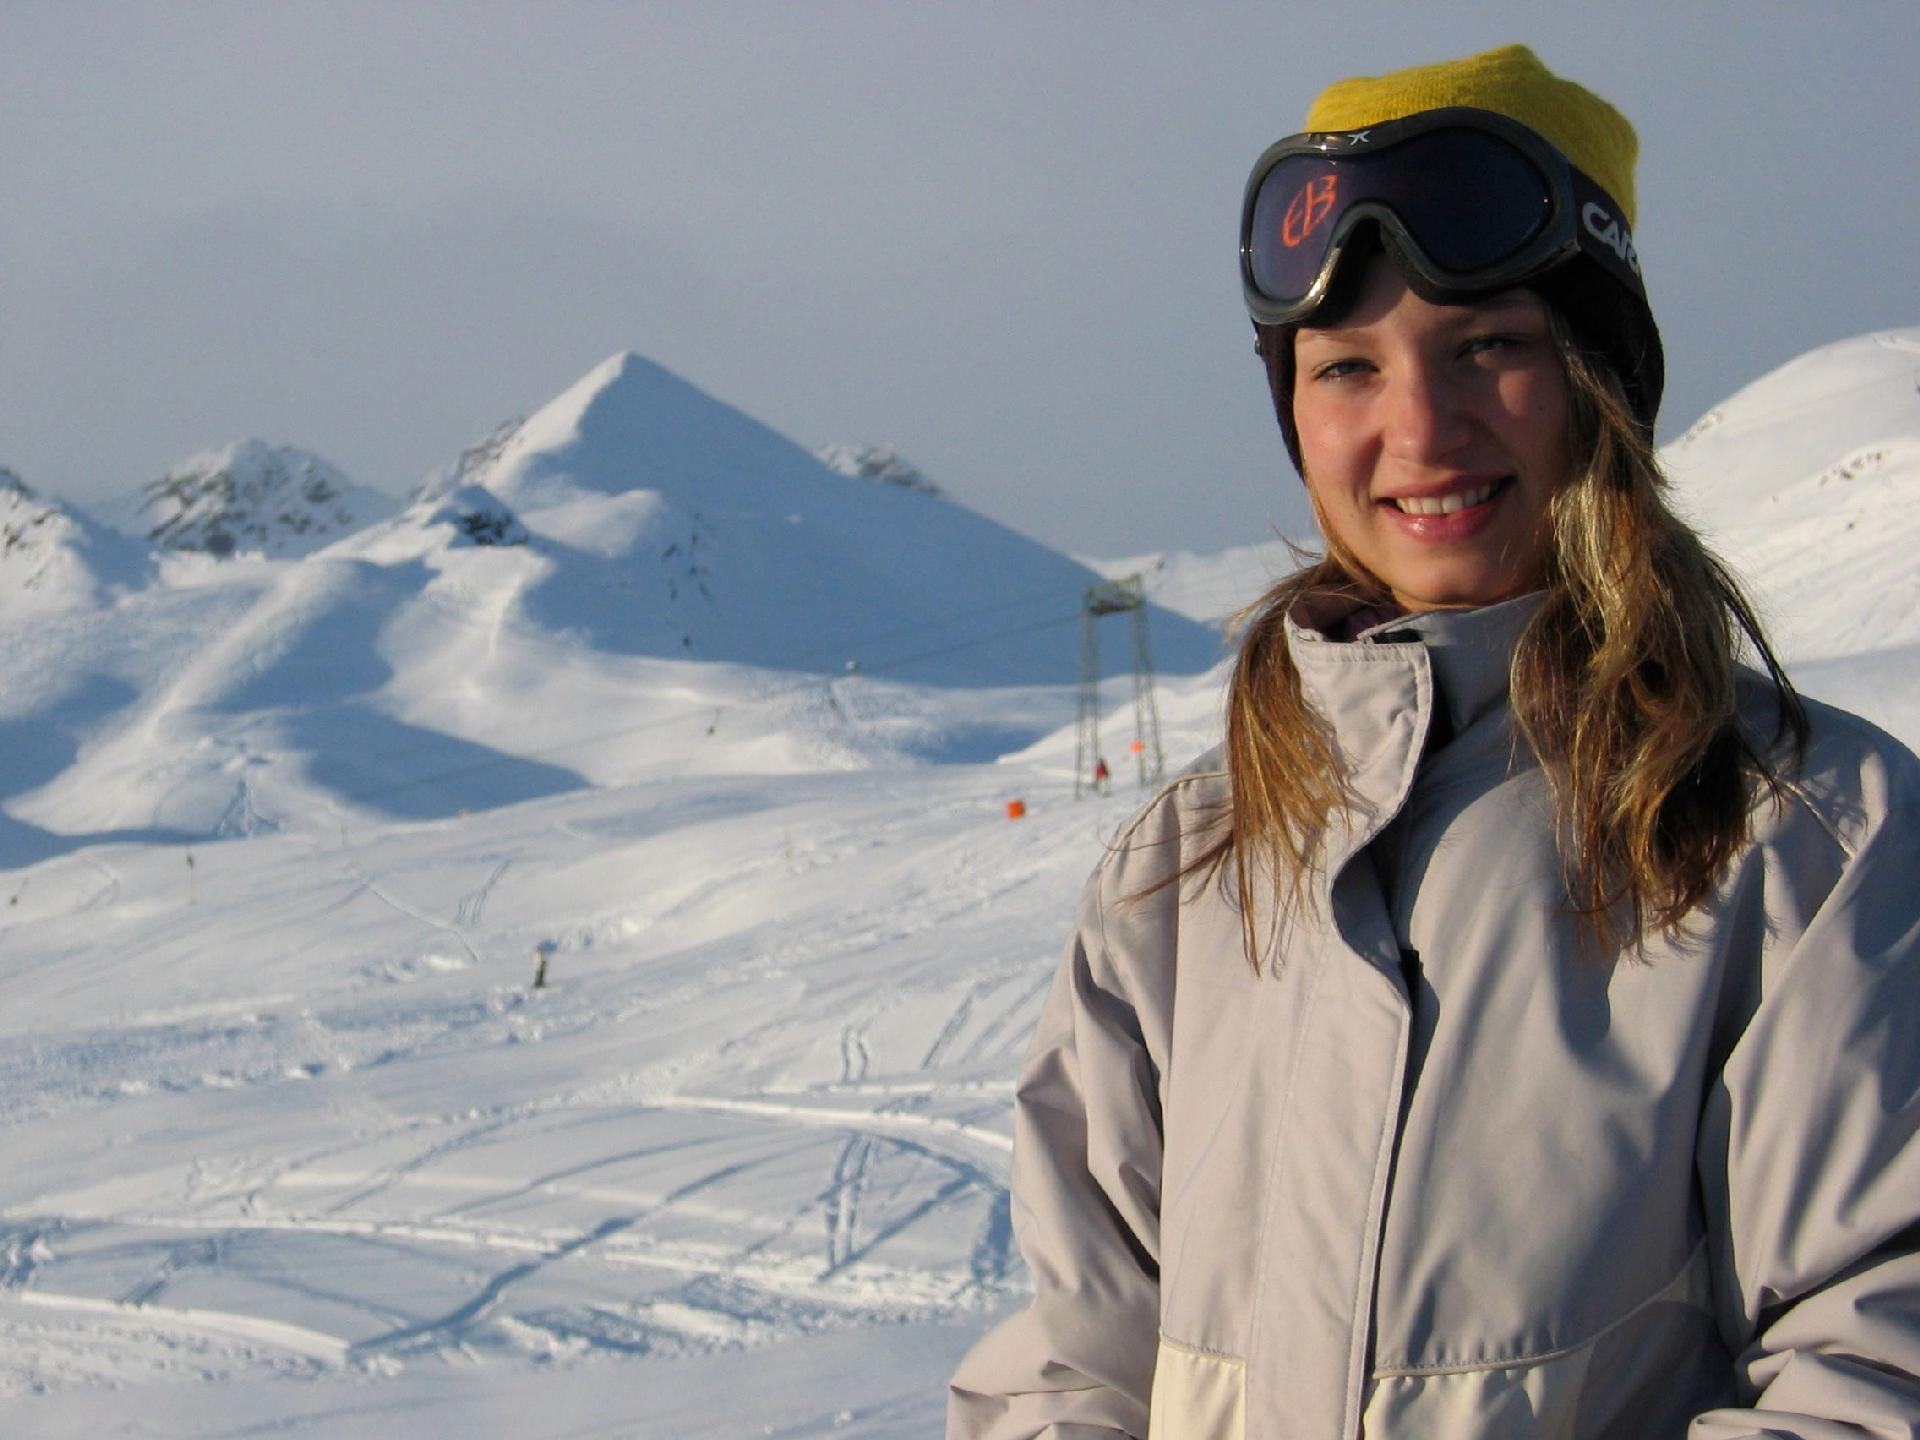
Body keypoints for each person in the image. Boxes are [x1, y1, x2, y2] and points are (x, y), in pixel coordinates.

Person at [948, 44, 1920, 1440]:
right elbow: (1078, 1363)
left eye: (1490, 346)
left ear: (1600, 378)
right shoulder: (1188, 869)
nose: (1418, 428)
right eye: (1347, 366)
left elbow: (1872, 1366)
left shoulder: (1807, 839)